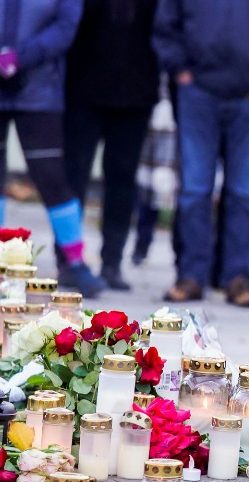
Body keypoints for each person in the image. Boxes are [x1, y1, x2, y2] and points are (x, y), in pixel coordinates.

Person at [153, 0, 249, 307]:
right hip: (198, 94)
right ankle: (191, 276)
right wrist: (179, 70)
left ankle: (237, 279)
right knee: (194, 190)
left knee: (243, 194)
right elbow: (166, 23)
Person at [0, 0, 105, 296]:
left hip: (39, 89)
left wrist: (20, 57)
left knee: (51, 176)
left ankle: (74, 261)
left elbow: (65, 27)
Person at [63, 0, 160, 291]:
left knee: (122, 180)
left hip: (136, 94)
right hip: (84, 89)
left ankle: (112, 261)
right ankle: (69, 258)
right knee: (74, 176)